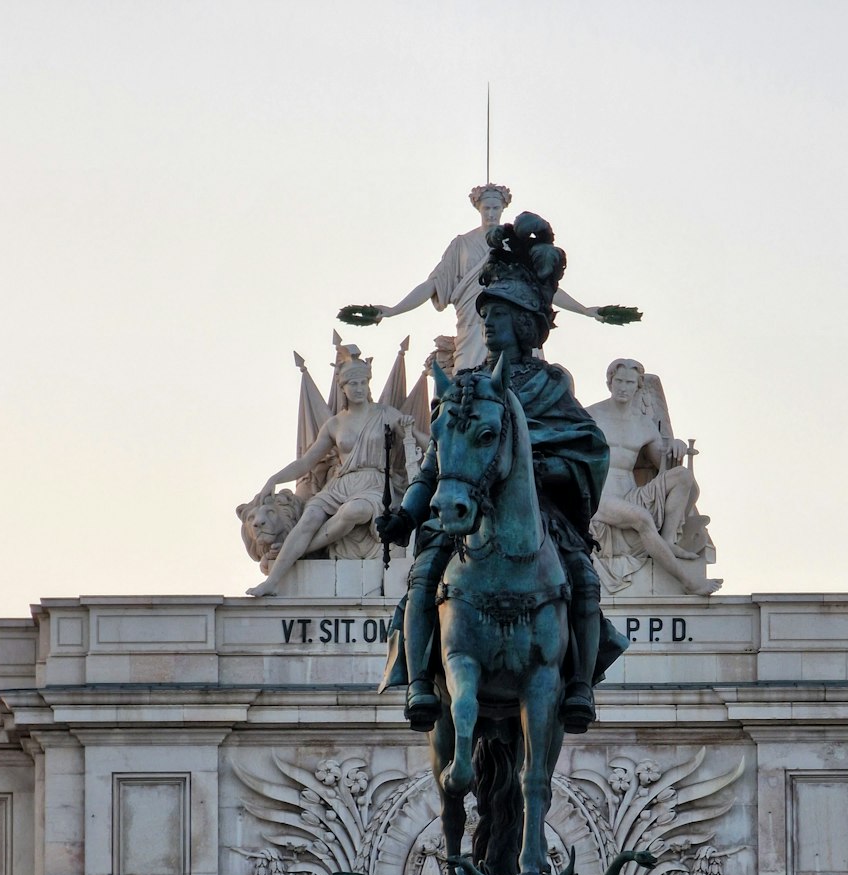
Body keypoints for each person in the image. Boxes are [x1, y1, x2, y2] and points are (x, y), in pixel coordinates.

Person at [379, 211, 625, 733]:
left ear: (524, 322)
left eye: (498, 313)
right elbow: (434, 463)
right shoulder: (466, 385)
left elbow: (589, 452)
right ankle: (420, 679)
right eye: (485, 313)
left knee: (582, 577)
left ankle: (579, 686)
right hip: (467, 515)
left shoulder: (551, 385)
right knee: (424, 574)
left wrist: (541, 467)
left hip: (542, 517)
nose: (486, 321)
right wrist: (405, 514)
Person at [372, 184, 604, 375]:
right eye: (486, 208)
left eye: (496, 208)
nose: (491, 213)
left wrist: (584, 310)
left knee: (521, 383)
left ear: (503, 208)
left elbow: (544, 287)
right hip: (473, 328)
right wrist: (393, 310)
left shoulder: (514, 243)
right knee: (466, 389)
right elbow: (432, 284)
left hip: (512, 327)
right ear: (478, 208)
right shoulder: (461, 245)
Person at [245, 354, 425, 595]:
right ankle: (272, 582)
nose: (359, 388)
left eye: (363, 382)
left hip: (373, 483)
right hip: (340, 486)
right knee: (309, 519)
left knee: (354, 511)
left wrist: (409, 427)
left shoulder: (385, 413)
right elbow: (307, 461)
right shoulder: (334, 424)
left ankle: (302, 551)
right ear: (343, 387)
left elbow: (426, 442)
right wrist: (274, 479)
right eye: (353, 383)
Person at [586, 359, 721, 595]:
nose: (623, 387)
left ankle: (667, 540)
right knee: (641, 517)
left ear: (638, 386)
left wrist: (676, 446)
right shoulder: (591, 415)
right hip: (600, 498)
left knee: (683, 476)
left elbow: (664, 464)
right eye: (618, 381)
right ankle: (688, 581)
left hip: (630, 495)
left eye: (629, 382)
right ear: (609, 382)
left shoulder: (643, 424)